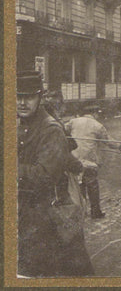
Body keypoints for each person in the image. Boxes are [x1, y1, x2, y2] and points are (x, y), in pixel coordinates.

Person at [17, 70, 94, 277]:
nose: (22, 103)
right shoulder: (20, 123)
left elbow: (43, 177)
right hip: (24, 211)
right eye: (18, 96)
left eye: (29, 97)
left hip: (49, 214)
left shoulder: (51, 129)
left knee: (61, 272)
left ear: (40, 98)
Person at [65, 104, 121, 219]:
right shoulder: (98, 125)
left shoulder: (72, 122)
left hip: (74, 161)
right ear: (94, 113)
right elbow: (108, 141)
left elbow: (62, 133)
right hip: (89, 163)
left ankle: (81, 213)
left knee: (79, 186)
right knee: (92, 186)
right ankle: (96, 212)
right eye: (98, 113)